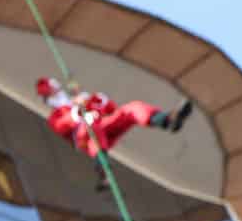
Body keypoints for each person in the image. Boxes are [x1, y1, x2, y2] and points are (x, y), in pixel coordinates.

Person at [36, 77, 192, 189]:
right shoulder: (55, 116)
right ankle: (102, 166)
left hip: (104, 127)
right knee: (90, 125)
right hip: (87, 137)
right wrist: (78, 110)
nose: (55, 93)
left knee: (132, 108)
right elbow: (62, 125)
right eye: (51, 92)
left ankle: (167, 120)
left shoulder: (81, 100)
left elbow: (112, 110)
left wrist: (100, 100)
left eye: (55, 90)